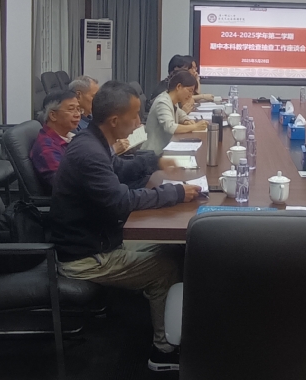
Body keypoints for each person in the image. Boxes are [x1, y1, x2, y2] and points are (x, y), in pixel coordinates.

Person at [49, 81, 202, 372]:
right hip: (86, 257)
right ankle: (163, 351)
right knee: (165, 269)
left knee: (174, 250)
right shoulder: (89, 153)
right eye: (134, 116)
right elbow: (121, 202)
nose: (139, 122)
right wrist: (175, 192)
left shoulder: (93, 141)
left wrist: (156, 161)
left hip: (101, 240)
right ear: (114, 120)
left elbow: (120, 169)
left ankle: (167, 316)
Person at [144, 70, 209, 155]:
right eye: (190, 90)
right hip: (155, 153)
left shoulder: (172, 100)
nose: (191, 95)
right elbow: (170, 127)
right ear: (178, 86)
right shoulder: (162, 102)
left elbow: (180, 113)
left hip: (167, 147)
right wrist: (195, 126)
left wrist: (186, 120)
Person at [29, 90, 81, 193]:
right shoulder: (47, 148)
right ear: (53, 115)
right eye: (71, 109)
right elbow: (65, 185)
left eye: (78, 109)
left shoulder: (69, 136)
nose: (78, 114)